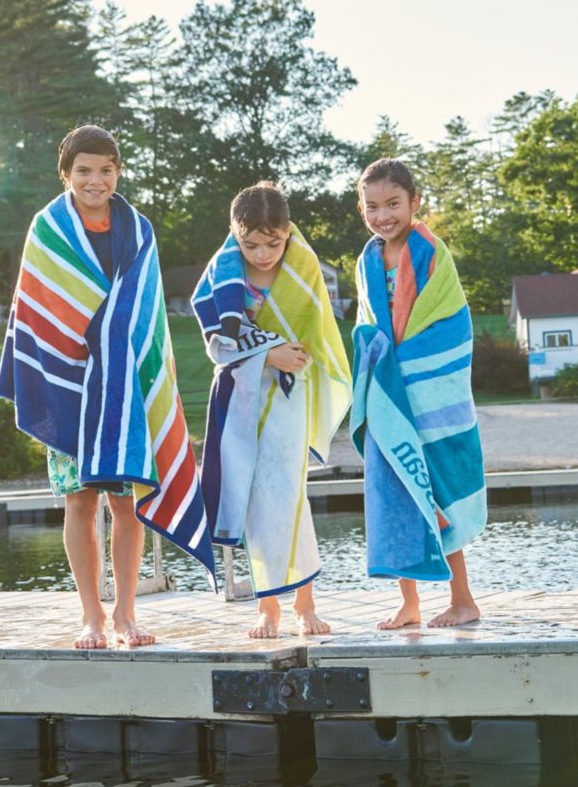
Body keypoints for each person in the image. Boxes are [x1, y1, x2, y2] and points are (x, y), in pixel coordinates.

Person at [0, 125, 214, 650]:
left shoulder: (138, 230)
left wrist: (135, 361)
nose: (96, 180)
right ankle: (91, 616)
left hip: (123, 387)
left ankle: (126, 614)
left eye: (106, 169)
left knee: (127, 503)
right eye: (85, 170)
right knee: (79, 500)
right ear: (66, 174)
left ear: (118, 171)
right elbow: (40, 306)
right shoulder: (49, 228)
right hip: (68, 381)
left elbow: (147, 313)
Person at [192, 182, 351, 639]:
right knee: (256, 500)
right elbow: (217, 343)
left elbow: (313, 336)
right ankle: (267, 607)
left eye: (273, 242)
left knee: (289, 495)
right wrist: (267, 353)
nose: (263, 253)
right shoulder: (223, 270)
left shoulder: (303, 268)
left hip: (288, 394)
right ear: (234, 234)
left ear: (287, 233)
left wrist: (283, 357)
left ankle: (304, 604)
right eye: (251, 244)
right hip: (240, 396)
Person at [351, 158, 486, 629]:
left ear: (415, 203)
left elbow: (449, 323)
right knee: (397, 489)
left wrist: (401, 362)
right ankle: (409, 602)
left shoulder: (431, 252)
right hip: (388, 391)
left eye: (393, 204)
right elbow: (368, 324)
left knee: (437, 490)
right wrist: (374, 361)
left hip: (427, 392)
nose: (383, 215)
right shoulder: (367, 260)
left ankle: (463, 598)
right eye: (372, 206)